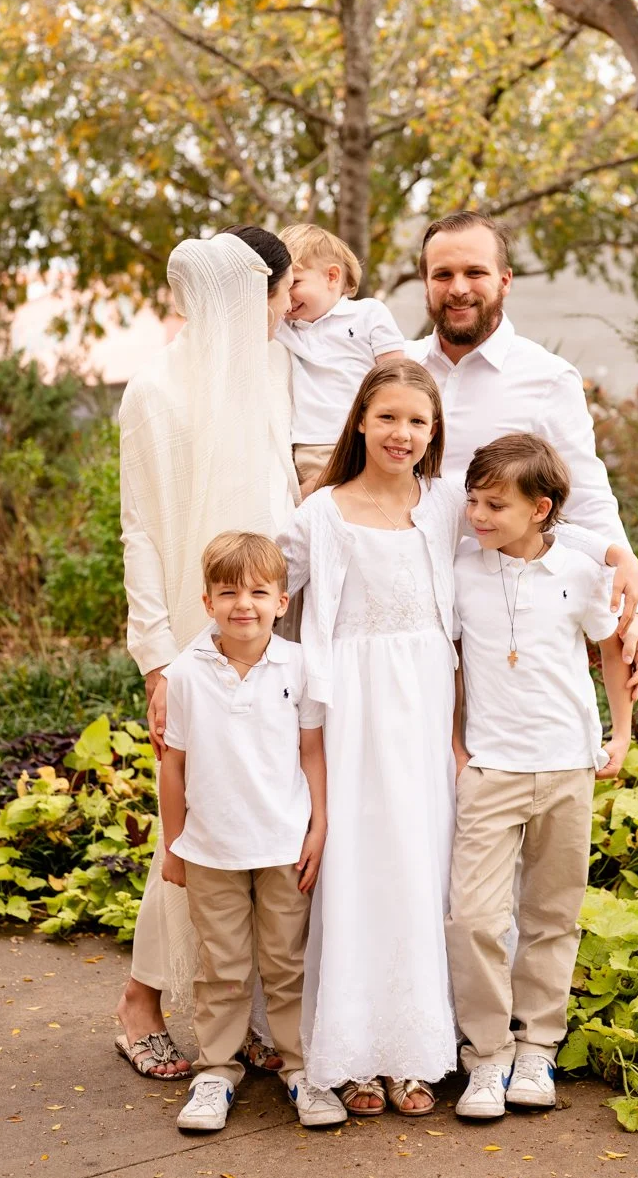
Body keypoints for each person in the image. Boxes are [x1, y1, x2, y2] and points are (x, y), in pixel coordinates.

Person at [115, 226, 299, 1080]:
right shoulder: (156, 391)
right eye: (279, 295)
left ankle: (247, 1013)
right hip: (196, 640)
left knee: (257, 823)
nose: (288, 309)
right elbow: (143, 534)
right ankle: (140, 1001)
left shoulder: (272, 375)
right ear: (247, 294)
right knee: (188, 833)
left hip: (270, 634)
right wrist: (158, 659)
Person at [276, 359, 460, 1117]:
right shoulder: (321, 514)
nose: (402, 433)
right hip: (350, 711)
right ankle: (352, 1055)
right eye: (388, 417)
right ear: (359, 421)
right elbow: (264, 591)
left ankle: (413, 1054)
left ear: (433, 433)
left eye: (418, 421)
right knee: (358, 870)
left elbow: (502, 572)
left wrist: (613, 560)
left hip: (425, 711)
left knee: (421, 870)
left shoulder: (447, 506)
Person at [447, 433, 633, 1118]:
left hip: (566, 763)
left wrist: (622, 731)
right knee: (474, 918)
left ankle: (537, 1051)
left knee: (553, 916)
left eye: (496, 503)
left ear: (541, 508)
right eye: (473, 499)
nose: (478, 514)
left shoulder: (581, 573)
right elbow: (449, 660)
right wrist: (455, 744)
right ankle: (487, 1057)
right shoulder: (461, 567)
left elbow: (613, 646)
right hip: (491, 766)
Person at [405, 210, 638, 697]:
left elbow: (585, 497)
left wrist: (630, 612)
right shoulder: (397, 368)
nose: (458, 288)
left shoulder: (547, 377)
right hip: (402, 604)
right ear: (425, 281)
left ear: (505, 280)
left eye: (474, 272)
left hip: (500, 616)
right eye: (443, 274)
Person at [159, 531, 346, 1131]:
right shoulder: (186, 674)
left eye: (259, 592)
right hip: (211, 849)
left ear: (282, 602)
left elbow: (312, 751)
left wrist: (319, 826)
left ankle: (300, 1070)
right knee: (223, 966)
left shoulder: (297, 665)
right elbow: (174, 765)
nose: (244, 604)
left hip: (283, 845)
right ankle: (215, 1072)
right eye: (228, 592)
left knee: (287, 963)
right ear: (208, 601)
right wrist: (173, 845)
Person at [277, 223, 404, 497]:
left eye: (294, 284)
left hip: (361, 439)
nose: (286, 299)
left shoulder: (368, 314)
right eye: (279, 288)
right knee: (318, 512)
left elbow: (397, 376)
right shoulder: (285, 327)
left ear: (332, 276)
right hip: (309, 445)